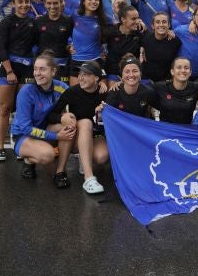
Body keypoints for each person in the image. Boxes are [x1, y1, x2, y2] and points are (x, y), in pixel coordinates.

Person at [10, 52, 73, 181]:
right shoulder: (26, 92)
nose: (37, 73)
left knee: (69, 125)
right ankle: (28, 161)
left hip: (44, 129)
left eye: (42, 69)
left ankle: (60, 172)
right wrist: (56, 137)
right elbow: (26, 128)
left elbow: (77, 100)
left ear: (53, 71)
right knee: (48, 155)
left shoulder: (61, 87)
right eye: (35, 69)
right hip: (22, 135)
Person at [49, 61, 108, 194]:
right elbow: (51, 115)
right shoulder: (71, 92)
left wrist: (101, 115)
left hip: (94, 136)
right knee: (82, 122)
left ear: (97, 78)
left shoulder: (104, 93)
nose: (80, 77)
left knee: (101, 157)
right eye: (80, 74)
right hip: (75, 136)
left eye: (86, 74)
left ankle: (84, 159)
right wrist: (62, 118)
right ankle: (87, 178)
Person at [0, 0, 37, 162]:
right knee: (5, 109)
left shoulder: (33, 22)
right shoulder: (6, 22)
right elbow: (1, 48)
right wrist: (9, 71)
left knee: (23, 109)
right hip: (8, 68)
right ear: (13, 4)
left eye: (27, 2)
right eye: (20, 2)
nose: (24, 5)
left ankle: (21, 145)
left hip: (27, 69)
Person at [150, 57, 198, 124]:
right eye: (179, 67)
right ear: (172, 71)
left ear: (190, 72)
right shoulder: (160, 87)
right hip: (165, 130)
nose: (183, 70)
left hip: (186, 130)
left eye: (186, 68)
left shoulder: (197, 87)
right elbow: (143, 92)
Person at [69, 0, 108, 86]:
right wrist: (68, 44)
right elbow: (64, 31)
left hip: (96, 61)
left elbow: (119, 28)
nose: (94, 1)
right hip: (77, 61)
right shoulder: (74, 15)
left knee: (101, 95)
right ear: (83, 1)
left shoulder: (104, 19)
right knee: (76, 96)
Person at [102, 4, 145, 89]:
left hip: (132, 73)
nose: (137, 21)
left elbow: (153, 39)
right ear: (123, 19)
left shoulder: (140, 32)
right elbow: (97, 43)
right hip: (113, 72)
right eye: (133, 19)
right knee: (113, 93)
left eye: (138, 18)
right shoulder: (110, 32)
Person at [36, 0, 74, 83]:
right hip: (43, 67)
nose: (52, 6)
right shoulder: (38, 21)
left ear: (61, 3)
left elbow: (74, 40)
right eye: (49, 3)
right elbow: (34, 42)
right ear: (44, 4)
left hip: (62, 67)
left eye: (55, 3)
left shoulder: (68, 21)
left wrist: (71, 46)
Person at [101, 54, 156, 119]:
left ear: (140, 73)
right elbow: (106, 116)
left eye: (135, 71)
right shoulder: (114, 92)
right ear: (122, 75)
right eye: (127, 71)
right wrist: (99, 112)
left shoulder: (148, 92)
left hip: (141, 127)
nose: (131, 75)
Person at [139, 12, 182, 83]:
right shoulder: (145, 39)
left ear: (169, 25)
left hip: (167, 82)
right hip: (147, 80)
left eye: (164, 22)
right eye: (158, 22)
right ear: (152, 25)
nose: (161, 25)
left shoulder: (175, 41)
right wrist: (141, 51)